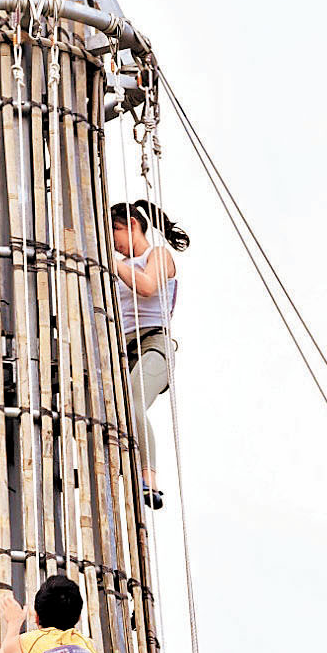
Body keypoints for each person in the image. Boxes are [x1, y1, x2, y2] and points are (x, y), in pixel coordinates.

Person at [110, 199, 189, 510]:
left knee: (133, 400)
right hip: (123, 350)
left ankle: (149, 479)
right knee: (117, 410)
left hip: (154, 343)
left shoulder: (156, 256)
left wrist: (112, 262)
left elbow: (146, 287)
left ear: (131, 225)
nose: (112, 245)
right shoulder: (117, 265)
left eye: (112, 233)